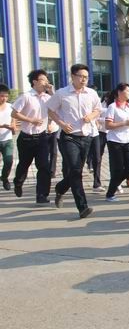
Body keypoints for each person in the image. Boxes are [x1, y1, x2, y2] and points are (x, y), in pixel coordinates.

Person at [47, 64, 101, 218]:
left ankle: (60, 188)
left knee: (75, 171)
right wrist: (62, 124)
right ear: (72, 76)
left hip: (86, 137)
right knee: (76, 171)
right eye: (81, 76)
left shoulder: (91, 93)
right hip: (68, 137)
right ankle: (82, 207)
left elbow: (98, 109)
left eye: (86, 77)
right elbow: (50, 110)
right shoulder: (62, 93)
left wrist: (91, 116)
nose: (84, 79)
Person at [11, 70, 54, 204]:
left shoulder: (48, 98)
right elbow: (14, 113)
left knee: (44, 167)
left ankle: (42, 195)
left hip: (42, 137)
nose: (46, 82)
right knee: (24, 164)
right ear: (34, 82)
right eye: (43, 79)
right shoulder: (26, 97)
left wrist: (52, 92)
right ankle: (18, 182)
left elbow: (57, 109)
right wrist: (31, 120)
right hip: (26, 138)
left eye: (47, 79)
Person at [103, 83, 129, 202]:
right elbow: (108, 125)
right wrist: (124, 123)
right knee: (118, 169)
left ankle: (114, 185)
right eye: (128, 91)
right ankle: (110, 194)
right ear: (119, 92)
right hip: (115, 141)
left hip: (128, 140)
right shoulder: (112, 107)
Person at [0, 84, 16, 191]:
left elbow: (13, 120)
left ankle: (4, 178)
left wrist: (13, 127)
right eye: (1, 96)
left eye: (6, 96)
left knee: (9, 161)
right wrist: (3, 126)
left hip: (7, 139)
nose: (4, 98)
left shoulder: (11, 107)